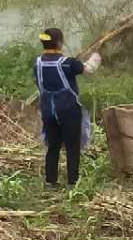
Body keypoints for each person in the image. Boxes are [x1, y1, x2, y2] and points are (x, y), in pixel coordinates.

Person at [34, 28, 101, 188]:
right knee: (72, 146)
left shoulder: (38, 63)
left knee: (53, 146)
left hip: (48, 112)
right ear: (58, 42)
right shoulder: (68, 63)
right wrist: (96, 55)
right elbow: (89, 69)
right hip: (68, 111)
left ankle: (51, 181)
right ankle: (72, 182)